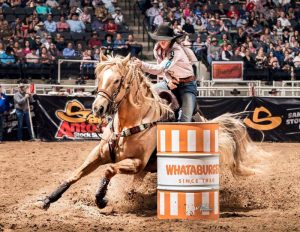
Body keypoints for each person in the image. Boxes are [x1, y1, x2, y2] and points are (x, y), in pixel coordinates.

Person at [133, 23, 197, 122]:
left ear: (171, 39)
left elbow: (160, 69)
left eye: (165, 38)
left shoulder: (175, 51)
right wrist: (169, 80)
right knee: (150, 91)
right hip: (172, 82)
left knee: (185, 119)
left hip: (187, 85)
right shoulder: (157, 49)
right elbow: (164, 71)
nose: (162, 41)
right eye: (160, 38)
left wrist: (142, 65)